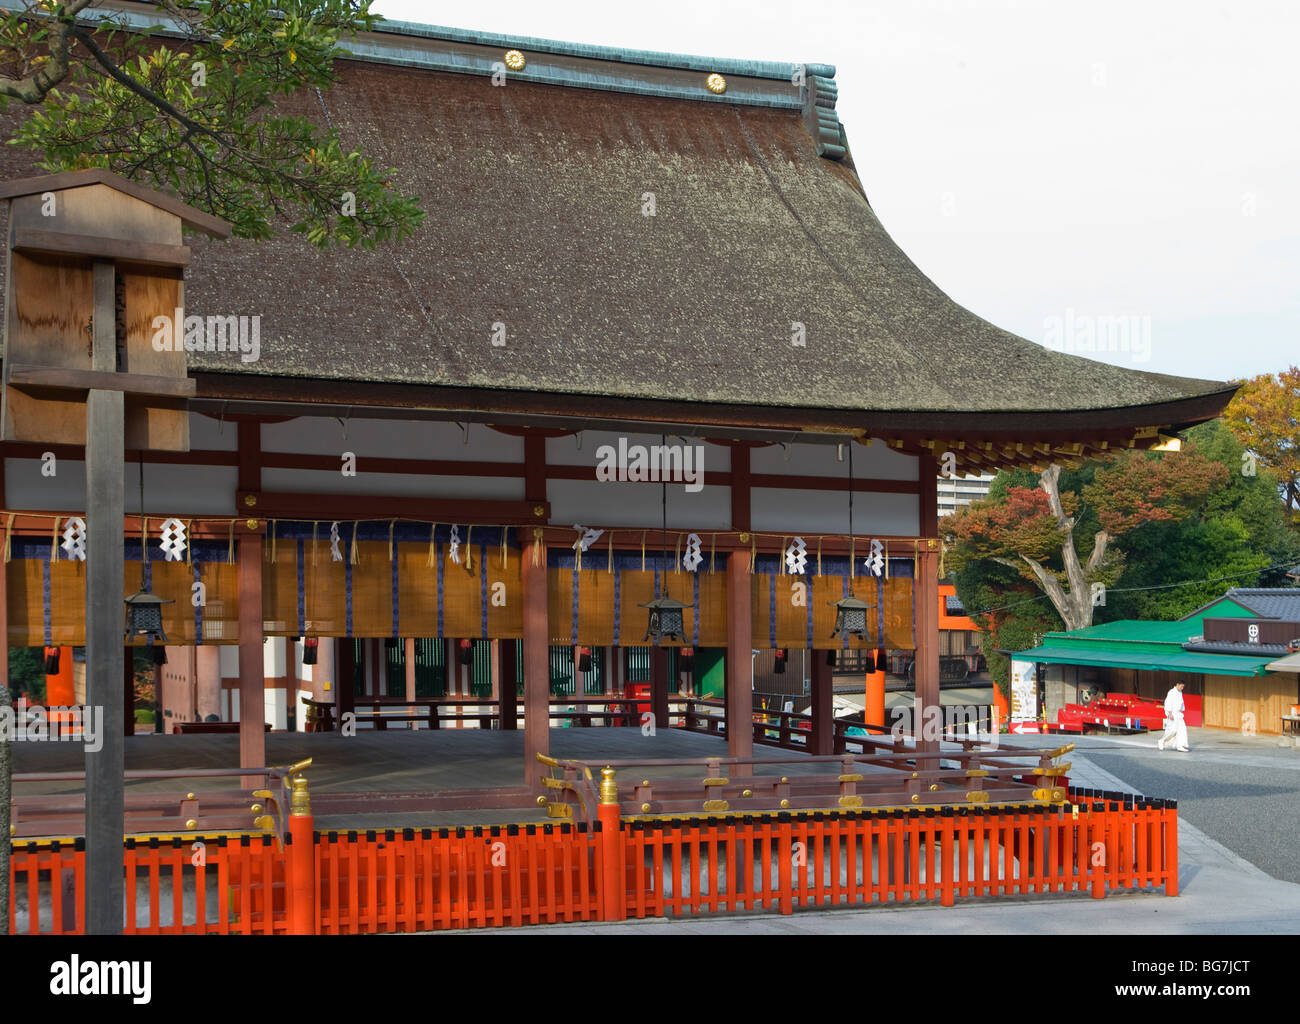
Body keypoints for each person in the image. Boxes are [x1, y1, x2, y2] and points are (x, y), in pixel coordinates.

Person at [1158, 681, 1189, 752]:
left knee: (1182, 729)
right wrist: (1170, 713)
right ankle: (1162, 740)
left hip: (1179, 714)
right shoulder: (1171, 692)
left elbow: (1181, 703)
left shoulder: (1180, 693)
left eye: (1183, 687)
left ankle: (1180, 745)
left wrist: (1181, 710)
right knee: (1173, 730)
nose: (1182, 688)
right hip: (1173, 713)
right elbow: (1168, 702)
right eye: (1181, 686)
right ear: (1177, 685)